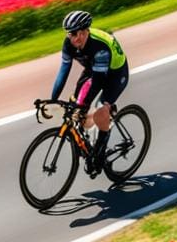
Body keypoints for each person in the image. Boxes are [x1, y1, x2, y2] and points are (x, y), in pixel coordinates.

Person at [51, 10, 129, 173]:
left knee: (99, 109)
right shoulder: (68, 43)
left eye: (77, 33)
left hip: (115, 73)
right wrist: (53, 99)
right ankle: (91, 137)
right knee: (76, 108)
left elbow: (99, 82)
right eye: (70, 34)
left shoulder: (99, 46)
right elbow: (64, 70)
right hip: (93, 69)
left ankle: (100, 151)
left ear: (86, 31)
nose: (74, 38)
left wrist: (83, 105)